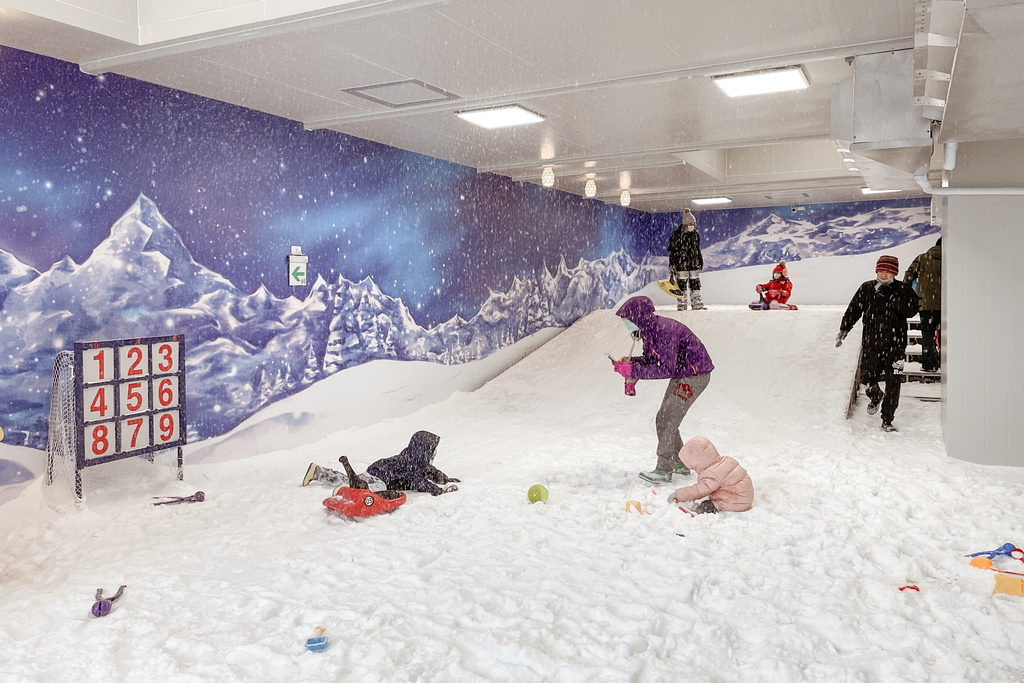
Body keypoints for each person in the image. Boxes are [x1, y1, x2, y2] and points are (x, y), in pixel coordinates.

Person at [613, 295, 714, 483]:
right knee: (664, 417)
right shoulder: (649, 331)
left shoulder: (664, 330)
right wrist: (632, 362)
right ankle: (680, 463)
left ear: (639, 317)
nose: (627, 325)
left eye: (628, 321)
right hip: (683, 373)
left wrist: (634, 370)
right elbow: (653, 360)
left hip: (695, 375)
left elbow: (664, 368)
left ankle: (664, 469)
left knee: (668, 417)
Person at [836, 255, 920, 432]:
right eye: (880, 271)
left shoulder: (903, 289)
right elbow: (853, 310)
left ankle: (887, 419)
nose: (883, 275)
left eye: (887, 271)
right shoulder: (867, 288)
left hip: (895, 345)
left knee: (894, 382)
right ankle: (875, 395)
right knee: (866, 377)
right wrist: (844, 329)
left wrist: (892, 297)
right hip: (871, 343)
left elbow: (911, 311)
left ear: (894, 272)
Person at [302, 430, 459, 495]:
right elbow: (418, 482)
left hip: (377, 469)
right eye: (432, 451)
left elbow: (432, 472)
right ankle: (346, 490)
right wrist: (437, 490)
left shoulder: (415, 460)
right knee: (370, 490)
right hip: (382, 477)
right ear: (423, 451)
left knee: (354, 479)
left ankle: (318, 472)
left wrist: (445, 480)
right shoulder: (412, 464)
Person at [667, 436, 753, 514]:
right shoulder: (725, 461)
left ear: (697, 461)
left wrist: (679, 495)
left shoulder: (712, 473)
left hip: (735, 502)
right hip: (744, 497)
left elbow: (699, 490)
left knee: (707, 505)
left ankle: (699, 512)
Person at [904, 237, 942, 372]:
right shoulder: (951, 259)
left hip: (926, 303)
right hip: (947, 305)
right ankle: (947, 362)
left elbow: (909, 275)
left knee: (927, 334)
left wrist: (906, 294)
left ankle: (929, 364)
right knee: (946, 335)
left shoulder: (922, 258)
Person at [667, 208, 705, 311]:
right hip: (681, 266)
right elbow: (672, 252)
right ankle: (682, 305)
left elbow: (697, 249)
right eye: (691, 223)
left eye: (694, 223)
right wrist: (672, 265)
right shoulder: (676, 236)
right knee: (681, 286)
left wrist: (699, 261)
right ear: (686, 223)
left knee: (695, 285)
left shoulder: (695, 235)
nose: (693, 226)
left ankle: (697, 305)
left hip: (693, 265)